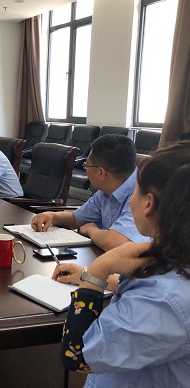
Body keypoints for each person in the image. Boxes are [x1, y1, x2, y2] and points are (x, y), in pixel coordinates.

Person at [53, 141, 190, 387]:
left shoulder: (162, 301)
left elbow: (77, 354)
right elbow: (150, 282)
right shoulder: (175, 253)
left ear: (148, 203)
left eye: (135, 189)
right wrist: (88, 275)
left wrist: (98, 271)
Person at [31, 134, 150, 251]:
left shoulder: (142, 194)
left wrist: (91, 229)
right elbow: (75, 219)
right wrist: (52, 216)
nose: (86, 170)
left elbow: (115, 242)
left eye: (86, 166)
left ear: (101, 173)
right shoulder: (106, 190)